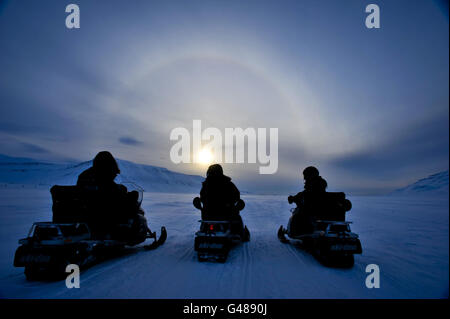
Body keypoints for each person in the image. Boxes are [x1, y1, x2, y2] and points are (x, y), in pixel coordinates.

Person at [76, 151, 147, 241]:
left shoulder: (85, 175)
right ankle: (128, 235)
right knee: (128, 209)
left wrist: (120, 189)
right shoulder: (103, 176)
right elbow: (112, 193)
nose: (114, 176)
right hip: (103, 214)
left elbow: (110, 189)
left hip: (86, 213)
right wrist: (131, 196)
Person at [196, 164, 249, 240]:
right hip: (225, 214)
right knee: (237, 216)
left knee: (235, 213)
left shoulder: (206, 185)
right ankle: (241, 234)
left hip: (209, 215)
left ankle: (237, 232)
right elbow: (236, 196)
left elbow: (202, 198)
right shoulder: (228, 183)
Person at [287, 166, 328, 236]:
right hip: (320, 211)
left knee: (297, 216)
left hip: (311, 212)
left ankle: (297, 232)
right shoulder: (320, 185)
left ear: (310, 175)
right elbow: (304, 193)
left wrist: (293, 198)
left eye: (305, 175)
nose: (304, 178)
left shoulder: (312, 186)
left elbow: (305, 194)